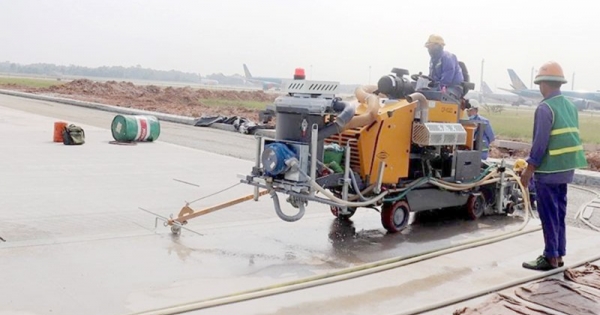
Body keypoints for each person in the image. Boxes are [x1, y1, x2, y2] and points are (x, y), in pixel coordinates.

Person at [520, 61, 588, 271]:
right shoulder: (569, 106)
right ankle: (558, 255)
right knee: (559, 213)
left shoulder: (544, 108)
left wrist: (528, 169)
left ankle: (550, 257)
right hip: (566, 169)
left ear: (542, 84)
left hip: (548, 171)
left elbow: (540, 143)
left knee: (548, 214)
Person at [423, 34, 464, 100]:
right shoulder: (433, 60)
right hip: (438, 87)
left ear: (437, 46)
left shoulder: (447, 57)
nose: (429, 50)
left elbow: (448, 74)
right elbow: (431, 76)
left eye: (430, 47)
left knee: (437, 95)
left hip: (453, 88)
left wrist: (442, 86)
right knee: (422, 93)